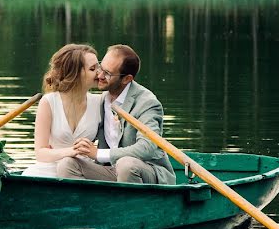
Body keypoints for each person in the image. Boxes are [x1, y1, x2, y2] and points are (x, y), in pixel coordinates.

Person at [56, 44, 176, 184]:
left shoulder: (147, 103)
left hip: (147, 172)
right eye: (100, 67)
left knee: (125, 165)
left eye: (108, 73)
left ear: (126, 79)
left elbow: (147, 148)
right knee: (68, 164)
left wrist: (98, 154)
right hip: (112, 171)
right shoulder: (101, 100)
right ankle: (87, 205)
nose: (99, 75)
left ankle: (130, 206)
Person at [20, 44, 103, 178]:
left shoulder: (100, 102)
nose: (100, 73)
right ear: (75, 74)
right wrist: (71, 151)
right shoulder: (49, 102)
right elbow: (40, 153)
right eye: (93, 69)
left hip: (85, 170)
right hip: (51, 168)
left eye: (98, 67)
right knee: (29, 175)